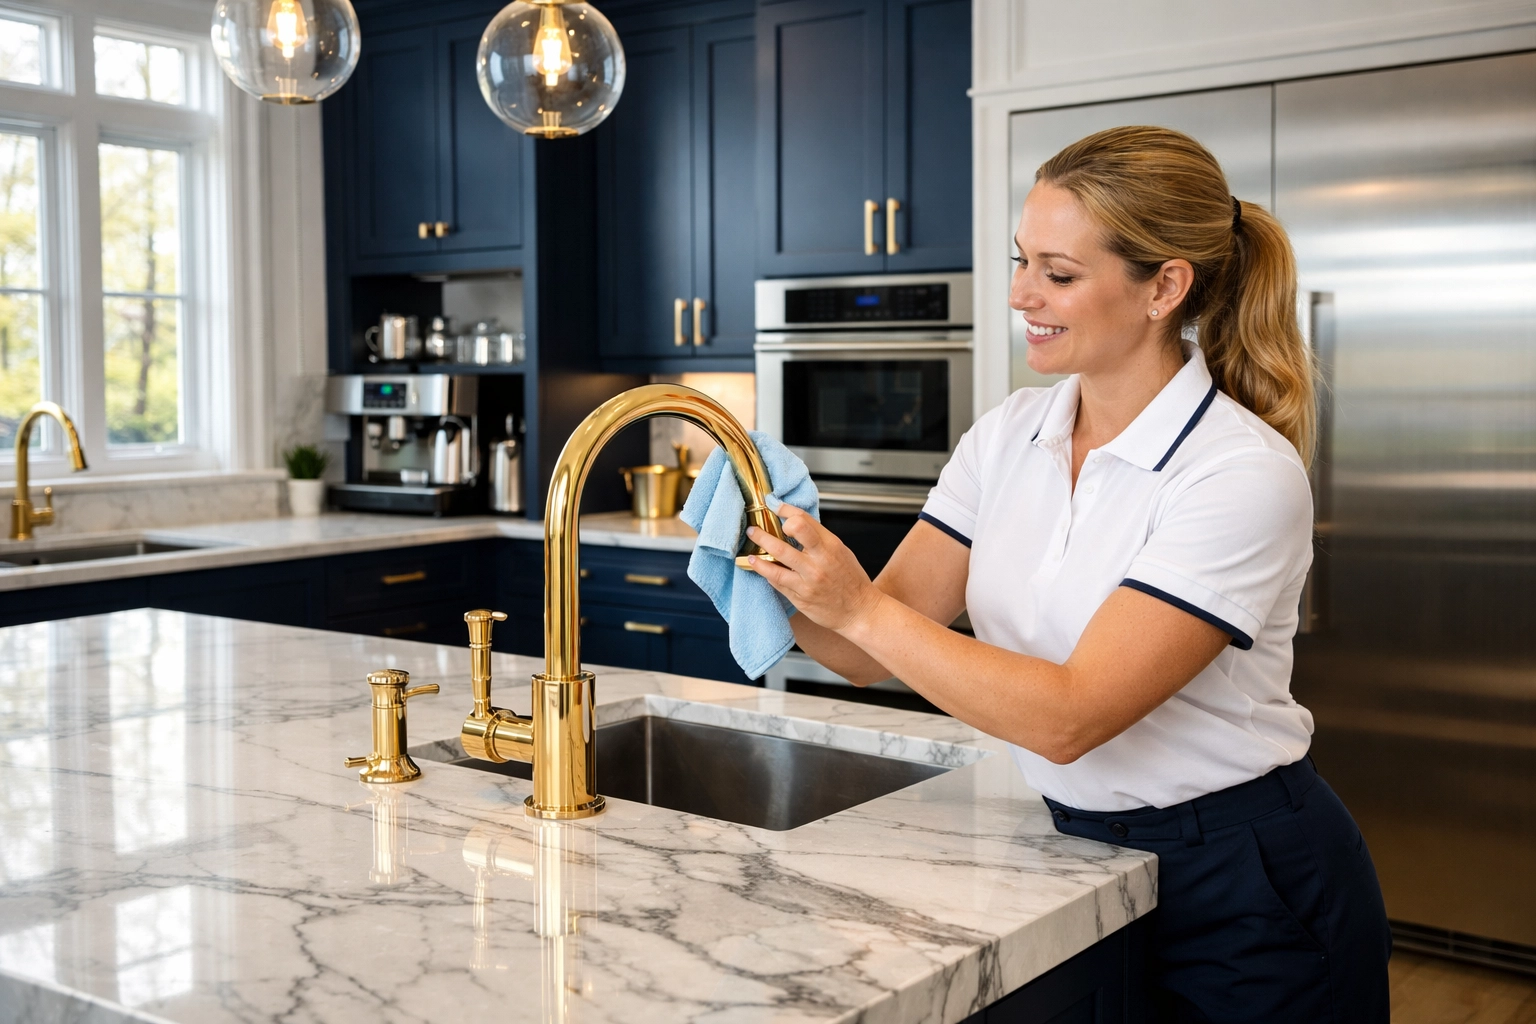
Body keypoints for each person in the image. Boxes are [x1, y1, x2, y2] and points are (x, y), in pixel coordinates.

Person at [743, 125, 1391, 1022]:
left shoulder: (1238, 473)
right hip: (1068, 853)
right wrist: (768, 560)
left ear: (1165, 286)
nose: (1019, 294)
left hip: (1246, 884)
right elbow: (867, 650)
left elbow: (1070, 717)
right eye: (1022, 262)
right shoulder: (1009, 434)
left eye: (1058, 272)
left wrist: (857, 608)